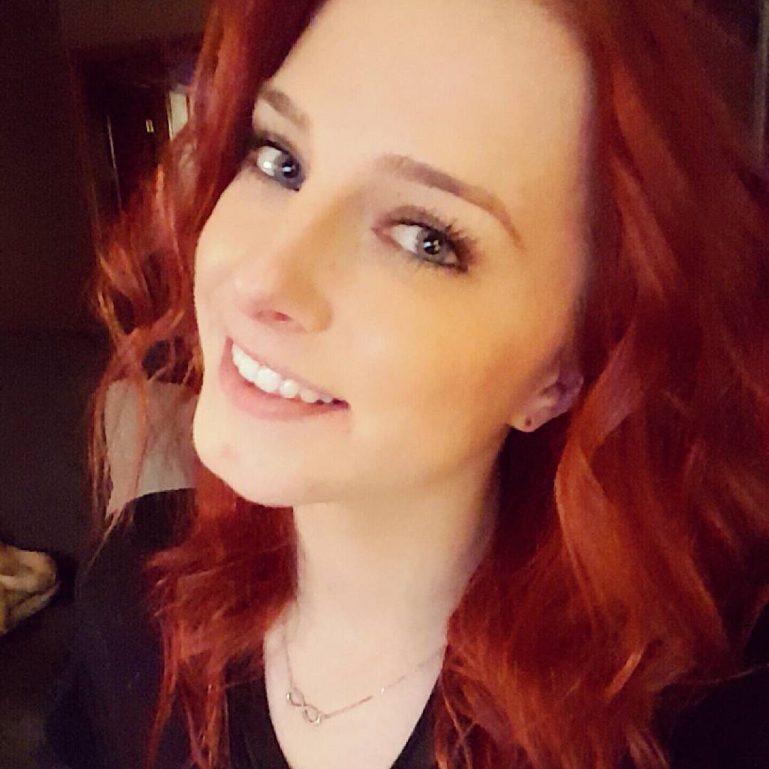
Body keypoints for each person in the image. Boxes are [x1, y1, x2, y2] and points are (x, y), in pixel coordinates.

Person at [38, 0, 769, 768]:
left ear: (562, 373)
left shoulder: (697, 707)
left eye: (425, 239)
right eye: (280, 160)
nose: (261, 279)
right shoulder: (137, 590)